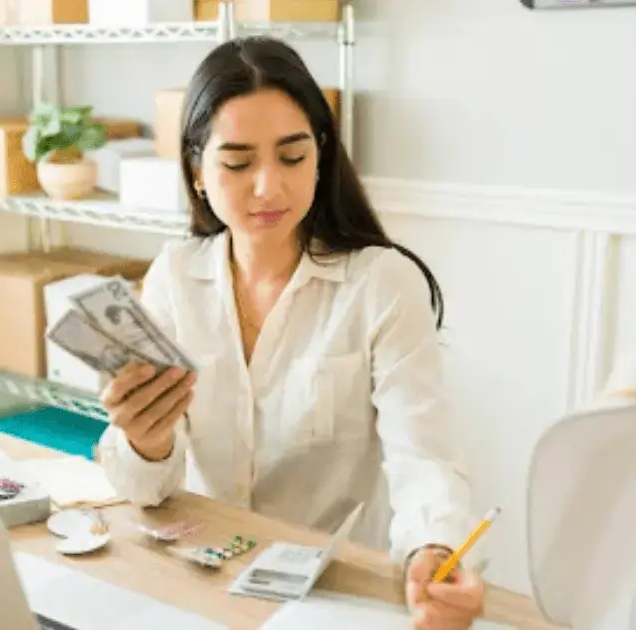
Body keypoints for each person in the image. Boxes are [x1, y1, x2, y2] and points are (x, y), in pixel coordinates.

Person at [96, 36, 485, 630]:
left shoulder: (381, 283)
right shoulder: (174, 277)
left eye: (292, 156)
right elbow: (144, 491)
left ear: (322, 156)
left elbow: (424, 459)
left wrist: (435, 550)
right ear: (198, 171)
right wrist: (146, 443)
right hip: (197, 580)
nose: (268, 187)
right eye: (238, 162)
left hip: (328, 598)